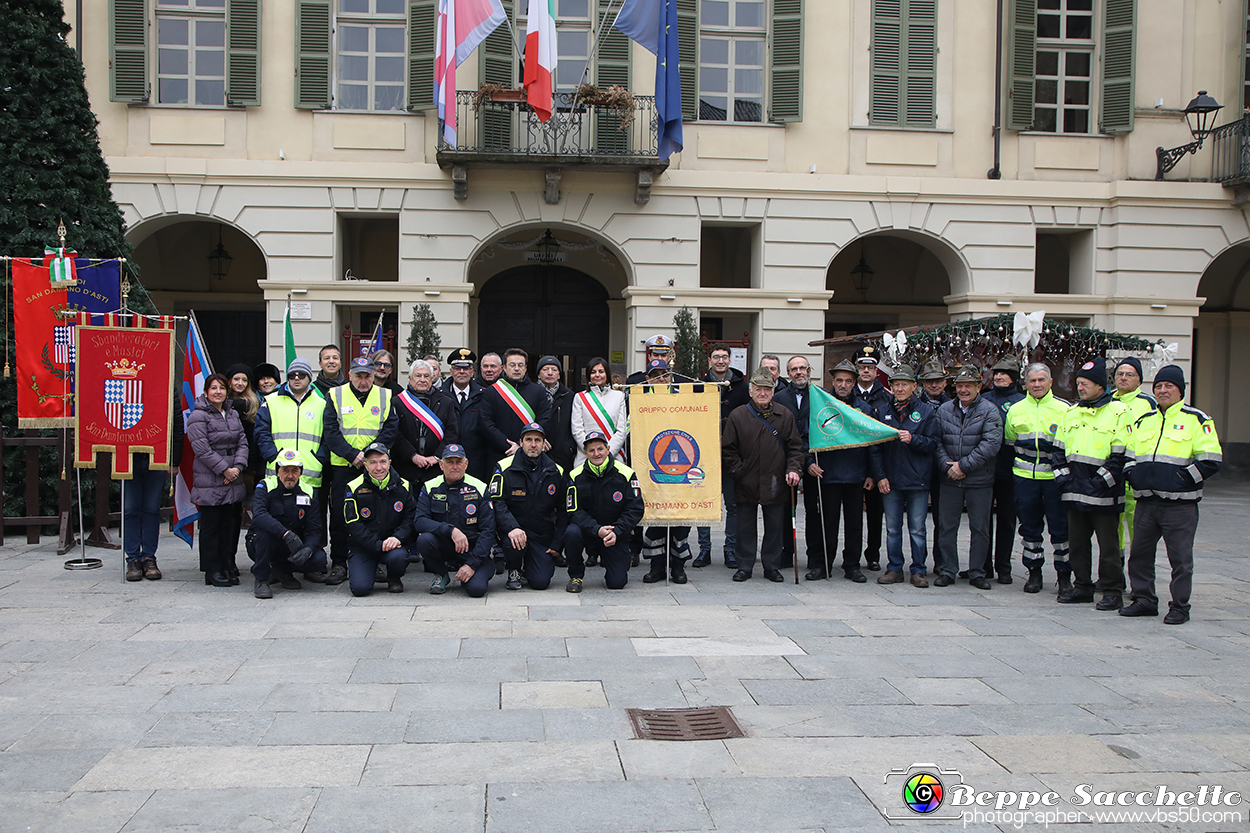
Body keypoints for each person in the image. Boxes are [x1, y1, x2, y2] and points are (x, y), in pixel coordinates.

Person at [1121, 365, 1222, 625]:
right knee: (1140, 555)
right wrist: (1133, 475)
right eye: (1159, 386)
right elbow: (1129, 455)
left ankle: (1179, 606)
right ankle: (1144, 600)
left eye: (1169, 386)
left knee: (1180, 559)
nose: (1163, 390)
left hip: (1180, 506)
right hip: (1146, 502)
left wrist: (1182, 480)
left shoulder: (1197, 419)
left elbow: (1211, 460)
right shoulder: (1144, 421)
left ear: (1180, 390)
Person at [1050, 358, 1131, 607]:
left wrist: (1099, 482)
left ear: (1099, 386)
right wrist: (1065, 480)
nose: (1081, 388)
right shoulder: (1071, 413)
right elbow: (1058, 452)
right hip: (1074, 492)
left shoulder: (1119, 412)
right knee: (1077, 544)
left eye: (1086, 384)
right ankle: (1082, 586)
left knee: (1108, 547)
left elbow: (1122, 455)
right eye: (1079, 383)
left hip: (1104, 493)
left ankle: (1111, 591)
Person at [322, 357, 399, 586]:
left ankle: (371, 562)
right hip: (343, 467)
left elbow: (390, 429)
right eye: (359, 376)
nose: (363, 381)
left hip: (372, 468)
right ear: (350, 374)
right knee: (338, 517)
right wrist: (352, 455)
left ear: (374, 375)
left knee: (373, 517)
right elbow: (330, 431)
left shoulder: (385, 396)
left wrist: (369, 456)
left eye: (367, 376)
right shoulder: (335, 395)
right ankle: (338, 563)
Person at [722, 367, 804, 582]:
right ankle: (744, 566)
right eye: (758, 389)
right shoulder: (738, 415)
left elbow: (795, 447)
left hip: (776, 479)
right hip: (745, 480)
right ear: (751, 391)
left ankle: (771, 566)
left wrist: (793, 469)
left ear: (773, 391)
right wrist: (738, 471)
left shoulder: (784, 415)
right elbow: (728, 449)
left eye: (767, 389)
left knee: (775, 527)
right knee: (745, 526)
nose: (762, 393)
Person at [806, 360, 877, 581]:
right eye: (839, 380)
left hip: (856, 475)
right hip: (828, 473)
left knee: (855, 524)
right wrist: (809, 462)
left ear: (854, 383)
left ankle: (852, 566)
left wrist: (872, 473)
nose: (843, 384)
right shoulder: (820, 406)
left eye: (848, 380)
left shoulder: (864, 410)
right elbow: (805, 436)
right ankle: (822, 564)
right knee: (826, 524)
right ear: (832, 381)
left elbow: (872, 444)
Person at [933, 366, 1003, 589]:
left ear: (978, 387)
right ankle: (948, 570)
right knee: (946, 526)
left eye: (968, 386)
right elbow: (937, 442)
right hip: (950, 478)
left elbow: (991, 444)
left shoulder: (990, 411)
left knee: (980, 528)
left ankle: (976, 572)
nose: (963, 390)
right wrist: (948, 467)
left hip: (979, 479)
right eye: (960, 386)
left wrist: (964, 466)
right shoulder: (944, 410)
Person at [1004, 363, 1071, 595]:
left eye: (1041, 380)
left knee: (1061, 528)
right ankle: (1033, 573)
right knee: (1030, 529)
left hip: (1055, 478)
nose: (1037, 384)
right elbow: (1010, 441)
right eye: (1032, 381)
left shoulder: (1065, 409)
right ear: (1025, 383)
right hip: (1025, 477)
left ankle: (1064, 575)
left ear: (1050, 382)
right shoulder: (1016, 409)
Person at [872, 366, 940, 587]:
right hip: (891, 479)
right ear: (890, 387)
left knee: (917, 528)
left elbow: (934, 444)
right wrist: (880, 476)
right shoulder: (881, 412)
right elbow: (875, 448)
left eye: (904, 384)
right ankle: (894, 568)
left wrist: (914, 439)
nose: (900, 388)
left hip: (917, 479)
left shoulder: (927, 412)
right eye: (896, 384)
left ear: (914, 386)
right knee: (892, 528)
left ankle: (918, 570)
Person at [186, 373, 250, 587]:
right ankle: (212, 569)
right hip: (211, 478)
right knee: (212, 526)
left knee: (230, 526)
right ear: (206, 392)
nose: (218, 392)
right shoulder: (198, 416)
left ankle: (228, 564)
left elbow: (243, 441)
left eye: (222, 388)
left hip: (233, 477)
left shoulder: (232, 413)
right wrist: (224, 470)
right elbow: (202, 449)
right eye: (213, 388)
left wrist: (237, 467)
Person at [636, 359, 696, 583]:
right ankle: (657, 566)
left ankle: (678, 566)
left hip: (682, 466)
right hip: (653, 467)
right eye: (656, 375)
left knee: (680, 522)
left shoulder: (684, 398)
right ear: (648, 378)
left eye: (665, 375)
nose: (661, 379)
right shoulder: (640, 399)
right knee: (656, 519)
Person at [489, 422, 567, 591]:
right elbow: (497, 503)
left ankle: (529, 568)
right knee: (513, 542)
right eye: (528, 440)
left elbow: (563, 510)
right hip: (513, 531)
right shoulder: (503, 468)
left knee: (540, 583)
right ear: (521, 442)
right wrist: (512, 527)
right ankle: (514, 569)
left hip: (541, 533)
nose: (533, 444)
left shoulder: (556, 471)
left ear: (544, 444)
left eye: (537, 440)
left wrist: (557, 543)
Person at [563, 431, 644, 592]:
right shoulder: (575, 476)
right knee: (571, 532)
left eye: (600, 449)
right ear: (585, 453)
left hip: (615, 533)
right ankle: (576, 575)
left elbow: (635, 509)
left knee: (616, 583)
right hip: (589, 532)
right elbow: (573, 511)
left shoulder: (626, 474)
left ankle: (615, 559)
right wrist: (596, 529)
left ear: (608, 449)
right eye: (591, 450)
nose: (596, 454)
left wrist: (618, 531)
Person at [246, 448, 329, 598]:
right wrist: (286, 534)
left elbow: (314, 528)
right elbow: (259, 516)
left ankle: (281, 570)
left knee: (319, 559)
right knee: (264, 532)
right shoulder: (265, 486)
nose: (290, 476)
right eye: (285, 470)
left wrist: (308, 549)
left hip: (293, 545)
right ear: (278, 471)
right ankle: (262, 579)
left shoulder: (309, 491)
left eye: (294, 470)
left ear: (300, 472)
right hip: (264, 542)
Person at [416, 444, 497, 597]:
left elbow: (488, 531)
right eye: (449, 462)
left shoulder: (479, 487)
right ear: (441, 464)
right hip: (445, 545)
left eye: (458, 462)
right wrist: (451, 530)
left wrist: (471, 565)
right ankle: (441, 574)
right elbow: (419, 521)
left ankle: (467, 572)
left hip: (473, 550)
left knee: (477, 590)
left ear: (466, 464)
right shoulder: (430, 487)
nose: (454, 466)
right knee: (424, 539)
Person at [695, 343, 749, 568]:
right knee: (704, 504)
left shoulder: (742, 386)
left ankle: (730, 550)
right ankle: (704, 550)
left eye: (724, 357)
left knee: (733, 505)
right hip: (705, 453)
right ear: (709, 360)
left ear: (730, 360)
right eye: (716, 357)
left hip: (731, 453)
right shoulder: (699, 386)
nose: (720, 361)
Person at [342, 444, 416, 596]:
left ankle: (394, 577)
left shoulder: (405, 486)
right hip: (363, 546)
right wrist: (377, 544)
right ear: (365, 465)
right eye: (373, 462)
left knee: (399, 557)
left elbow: (410, 519)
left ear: (390, 462)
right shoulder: (353, 487)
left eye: (382, 461)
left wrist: (397, 537)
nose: (378, 467)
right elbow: (352, 524)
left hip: (392, 545)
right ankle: (369, 569)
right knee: (360, 590)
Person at [123, 408, 181, 582]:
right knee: (130, 507)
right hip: (126, 453)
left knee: (151, 508)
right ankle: (132, 558)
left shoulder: (167, 382)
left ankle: (149, 558)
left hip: (158, 452)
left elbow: (176, 420)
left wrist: (174, 459)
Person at [773, 355, 818, 574]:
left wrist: (808, 458)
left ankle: (814, 557)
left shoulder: (820, 396)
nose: (798, 372)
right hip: (785, 459)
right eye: (794, 369)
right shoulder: (779, 397)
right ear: (788, 374)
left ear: (809, 370)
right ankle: (785, 552)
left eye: (802, 368)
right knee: (784, 509)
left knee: (813, 510)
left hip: (813, 460)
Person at [254, 358, 326, 494]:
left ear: (309, 378)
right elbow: (261, 433)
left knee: (312, 515)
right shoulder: (270, 401)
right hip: (279, 475)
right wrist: (272, 456)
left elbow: (328, 436)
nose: (296, 378)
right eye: (292, 375)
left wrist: (319, 459)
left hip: (310, 476)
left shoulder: (322, 404)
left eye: (301, 375)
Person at [982, 356, 1025, 584]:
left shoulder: (1021, 402)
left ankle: (1004, 567)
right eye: (996, 373)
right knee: (982, 520)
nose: (999, 376)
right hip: (985, 470)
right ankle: (984, 566)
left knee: (1007, 520)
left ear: (1014, 378)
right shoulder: (984, 399)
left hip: (1011, 470)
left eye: (1004, 373)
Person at [1111, 357, 1156, 562]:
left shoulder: (1148, 403)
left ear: (1139, 380)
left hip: (1135, 477)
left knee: (1138, 530)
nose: (1123, 378)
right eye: (1120, 374)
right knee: (1112, 529)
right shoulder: (1107, 400)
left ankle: (1140, 579)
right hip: (1111, 474)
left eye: (1130, 375)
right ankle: (1114, 574)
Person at [479, 348, 553, 471]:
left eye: (520, 365)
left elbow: (545, 419)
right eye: (512, 365)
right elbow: (486, 423)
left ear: (526, 368)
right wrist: (508, 446)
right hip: (501, 453)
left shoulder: (538, 391)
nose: (517, 368)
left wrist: (522, 446)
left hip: (531, 454)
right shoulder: (492, 391)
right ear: (504, 368)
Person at [851, 347, 890, 571]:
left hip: (874, 467)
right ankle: (851, 555)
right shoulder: (847, 395)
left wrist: (875, 473)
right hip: (852, 465)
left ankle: (873, 554)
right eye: (862, 367)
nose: (866, 371)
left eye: (871, 367)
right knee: (853, 516)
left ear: (876, 371)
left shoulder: (886, 396)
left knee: (875, 515)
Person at [394, 359, 458, 490]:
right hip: (406, 468)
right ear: (410, 378)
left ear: (432, 378)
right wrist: (412, 455)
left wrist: (436, 457)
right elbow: (395, 433)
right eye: (418, 376)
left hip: (435, 469)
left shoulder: (446, 402)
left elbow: (452, 432)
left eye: (426, 376)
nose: (422, 379)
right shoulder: (398, 402)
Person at [917, 360, 951, 573]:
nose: (934, 385)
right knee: (917, 520)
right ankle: (918, 562)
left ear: (945, 383)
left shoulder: (954, 405)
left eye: (938, 381)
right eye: (929, 382)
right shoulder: (914, 404)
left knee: (943, 519)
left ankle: (942, 562)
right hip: (919, 466)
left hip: (943, 467)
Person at [571, 356, 628, 467]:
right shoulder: (580, 397)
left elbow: (621, 430)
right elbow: (577, 429)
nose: (597, 375)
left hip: (613, 456)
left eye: (601, 371)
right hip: (586, 457)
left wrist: (607, 453)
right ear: (588, 376)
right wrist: (592, 452)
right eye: (593, 372)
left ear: (607, 374)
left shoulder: (619, 396)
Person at [536, 356, 577, 470]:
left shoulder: (569, 396)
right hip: (537, 449)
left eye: (554, 370)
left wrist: (569, 447)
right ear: (538, 374)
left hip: (563, 454)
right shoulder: (531, 394)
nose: (550, 373)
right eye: (545, 369)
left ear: (559, 375)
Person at [225, 363, 261, 480]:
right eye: (236, 379)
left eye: (244, 380)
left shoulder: (251, 405)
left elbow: (253, 437)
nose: (240, 383)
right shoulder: (219, 401)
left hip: (244, 460)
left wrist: (251, 467)